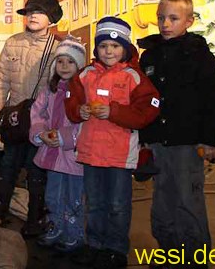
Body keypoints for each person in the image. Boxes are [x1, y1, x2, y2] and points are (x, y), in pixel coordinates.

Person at [138, 0, 215, 269]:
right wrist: (143, 138)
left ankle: (195, 257)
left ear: (189, 20)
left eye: (173, 18)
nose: (165, 23)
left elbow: (213, 98)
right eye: (161, 18)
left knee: (189, 199)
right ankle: (169, 251)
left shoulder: (199, 55)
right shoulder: (149, 56)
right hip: (157, 142)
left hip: (187, 141)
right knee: (162, 199)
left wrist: (210, 139)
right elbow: (143, 99)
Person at [65, 16, 160, 269]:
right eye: (104, 46)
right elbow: (70, 102)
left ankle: (116, 248)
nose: (109, 51)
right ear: (96, 48)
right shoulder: (85, 74)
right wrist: (79, 111)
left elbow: (148, 110)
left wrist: (115, 112)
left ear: (126, 49)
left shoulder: (133, 76)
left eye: (115, 46)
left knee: (118, 205)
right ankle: (95, 245)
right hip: (91, 152)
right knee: (94, 203)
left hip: (120, 155)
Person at [0, 0, 61, 237]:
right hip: (15, 120)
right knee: (7, 167)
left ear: (51, 18)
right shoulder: (13, 42)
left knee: (37, 172)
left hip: (42, 122)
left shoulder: (60, 47)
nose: (32, 16)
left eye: (39, 12)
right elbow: (0, 80)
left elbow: (63, 88)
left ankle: (34, 220)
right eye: (29, 11)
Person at [29, 37, 86, 253]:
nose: (64, 66)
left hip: (73, 156)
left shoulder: (83, 92)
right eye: (60, 61)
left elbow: (84, 124)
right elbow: (37, 113)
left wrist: (63, 137)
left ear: (79, 66)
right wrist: (41, 133)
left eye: (70, 62)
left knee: (74, 196)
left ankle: (75, 232)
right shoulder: (49, 91)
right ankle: (56, 226)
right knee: (53, 194)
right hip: (52, 154)